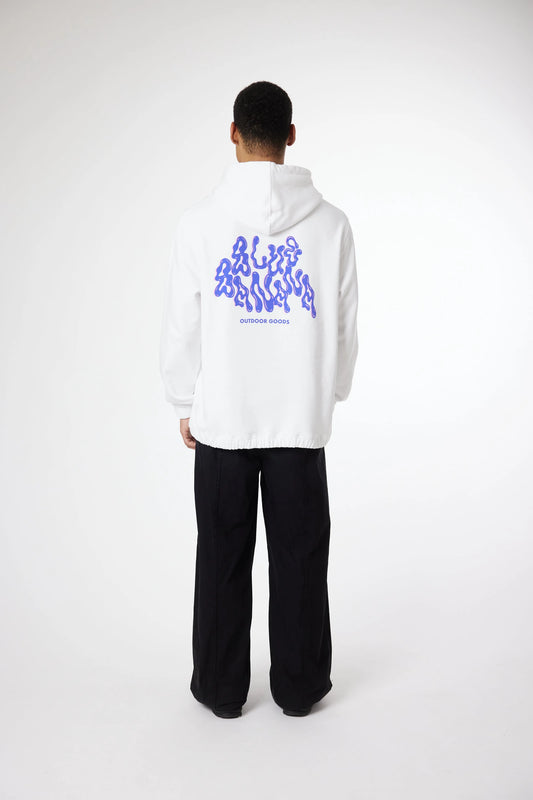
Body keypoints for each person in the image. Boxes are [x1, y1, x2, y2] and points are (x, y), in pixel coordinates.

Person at [159, 80, 358, 719]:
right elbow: (345, 324)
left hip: (223, 421)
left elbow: (182, 322)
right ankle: (299, 690)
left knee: (221, 555)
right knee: (301, 558)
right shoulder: (331, 225)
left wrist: (182, 398)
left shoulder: (199, 223)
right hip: (299, 420)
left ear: (233, 134)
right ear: (291, 136)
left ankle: (221, 691)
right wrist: (330, 392)